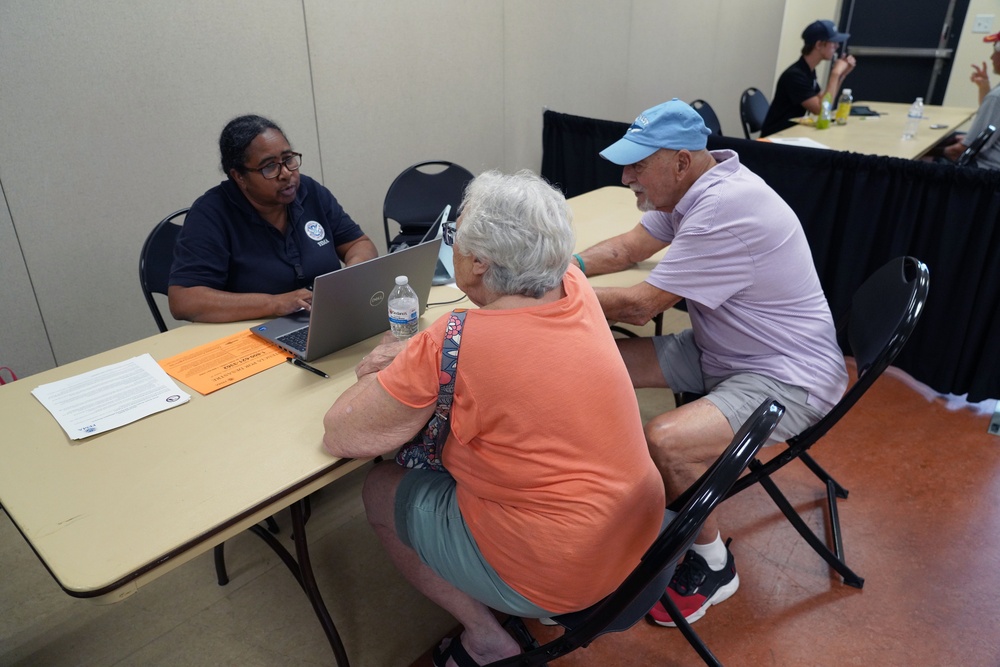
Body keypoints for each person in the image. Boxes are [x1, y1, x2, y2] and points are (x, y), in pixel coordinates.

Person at [323, 170, 665, 666]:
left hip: (560, 571)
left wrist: (379, 371)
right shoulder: (571, 282)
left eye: (454, 236)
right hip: (636, 535)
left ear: (479, 263)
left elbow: (343, 432)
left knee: (378, 487)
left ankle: (485, 636)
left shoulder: (456, 339)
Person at [573, 99, 848, 627]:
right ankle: (613, 494)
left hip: (787, 374)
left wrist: (549, 293)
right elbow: (630, 246)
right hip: (730, 349)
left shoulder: (724, 207)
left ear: (680, 160)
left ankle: (713, 563)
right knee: (593, 359)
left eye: (638, 164)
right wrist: (570, 266)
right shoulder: (695, 185)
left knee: (666, 441)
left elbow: (640, 304)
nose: (627, 176)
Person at [168, 114, 378, 322]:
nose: (286, 173)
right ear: (239, 176)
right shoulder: (211, 214)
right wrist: (275, 303)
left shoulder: (308, 191)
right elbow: (184, 300)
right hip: (251, 334)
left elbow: (359, 244)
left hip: (324, 321)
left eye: (288, 159)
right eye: (269, 167)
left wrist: (350, 276)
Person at [761, 20, 858, 137]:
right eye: (833, 43)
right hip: (776, 138)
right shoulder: (795, 75)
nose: (837, 46)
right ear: (818, 45)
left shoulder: (808, 71)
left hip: (791, 134)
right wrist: (835, 73)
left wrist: (842, 75)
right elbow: (821, 110)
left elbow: (825, 101)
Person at [939, 30, 1000, 169]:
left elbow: (960, 152)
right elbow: (992, 119)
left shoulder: (997, 96)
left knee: (922, 158)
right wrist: (984, 86)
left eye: (995, 51)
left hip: (986, 171)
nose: (991, 57)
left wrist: (931, 150)